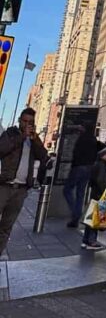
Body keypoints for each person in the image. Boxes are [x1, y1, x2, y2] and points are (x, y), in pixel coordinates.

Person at [0, 108, 49, 257]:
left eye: (31, 122)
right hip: (4, 186)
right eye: (25, 121)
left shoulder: (33, 140)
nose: (28, 124)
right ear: (20, 121)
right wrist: (22, 136)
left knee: (6, 227)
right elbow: (2, 149)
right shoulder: (11, 134)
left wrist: (35, 140)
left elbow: (43, 156)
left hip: (20, 190)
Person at [63, 121, 104, 228]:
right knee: (80, 193)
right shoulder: (93, 139)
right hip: (88, 168)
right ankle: (76, 215)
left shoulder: (82, 138)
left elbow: (76, 153)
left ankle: (75, 213)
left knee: (67, 189)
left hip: (78, 167)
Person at [82, 145, 106, 252]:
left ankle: (86, 239)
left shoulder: (97, 164)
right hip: (100, 195)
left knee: (91, 219)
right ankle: (92, 240)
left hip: (95, 194)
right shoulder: (101, 166)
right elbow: (101, 181)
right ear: (103, 155)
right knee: (96, 219)